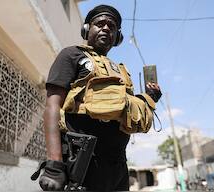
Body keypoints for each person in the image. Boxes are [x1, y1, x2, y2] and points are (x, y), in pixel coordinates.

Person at [38, 4, 162, 191]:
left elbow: (124, 110)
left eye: (111, 27)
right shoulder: (72, 55)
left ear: (117, 37)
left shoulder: (120, 72)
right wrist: (54, 164)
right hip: (84, 163)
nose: (106, 28)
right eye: (100, 24)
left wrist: (149, 98)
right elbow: (52, 107)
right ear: (87, 30)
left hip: (118, 166)